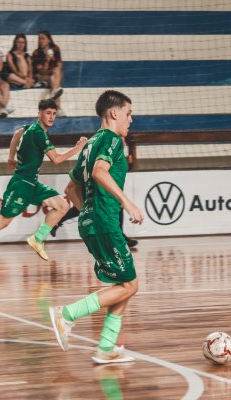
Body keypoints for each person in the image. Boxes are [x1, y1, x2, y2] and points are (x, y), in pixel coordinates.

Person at [49, 90, 144, 364]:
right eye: (128, 114)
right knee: (129, 285)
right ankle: (66, 314)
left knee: (122, 283)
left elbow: (71, 187)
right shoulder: (112, 140)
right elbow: (101, 172)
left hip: (92, 222)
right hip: (105, 221)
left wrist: (85, 213)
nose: (131, 119)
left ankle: (106, 347)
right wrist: (127, 203)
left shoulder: (91, 144)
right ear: (113, 113)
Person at [0, 99, 87, 275]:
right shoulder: (39, 134)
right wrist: (77, 149)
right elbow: (56, 159)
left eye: (54, 114)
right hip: (21, 184)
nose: (51, 117)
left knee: (63, 205)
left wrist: (10, 157)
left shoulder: (29, 128)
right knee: (3, 221)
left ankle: (37, 238)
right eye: (48, 113)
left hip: (32, 184)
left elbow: (16, 134)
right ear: (39, 114)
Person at [51, 139, 139, 249]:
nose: (123, 142)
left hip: (93, 185)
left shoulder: (107, 151)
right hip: (93, 185)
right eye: (121, 139)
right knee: (91, 207)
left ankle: (119, 236)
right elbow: (100, 171)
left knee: (88, 208)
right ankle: (118, 236)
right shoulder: (106, 149)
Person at [31, 30, 64, 101]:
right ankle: (58, 107)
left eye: (43, 38)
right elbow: (41, 72)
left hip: (55, 74)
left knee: (56, 75)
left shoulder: (55, 49)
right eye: (39, 39)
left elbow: (59, 66)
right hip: (42, 77)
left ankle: (54, 92)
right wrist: (47, 61)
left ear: (49, 40)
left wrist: (53, 71)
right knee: (54, 80)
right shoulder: (36, 53)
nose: (40, 41)